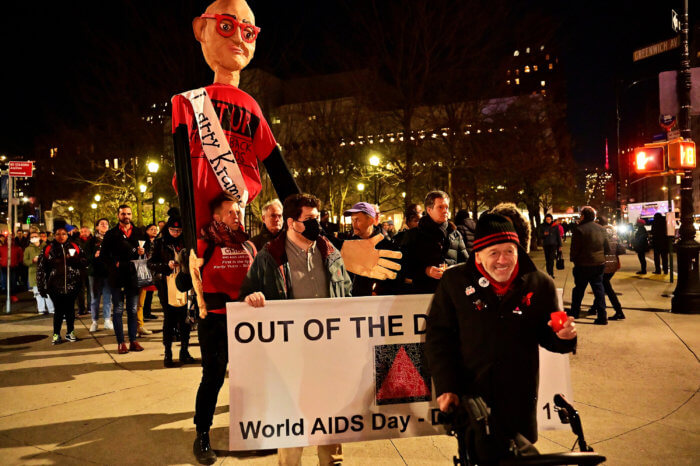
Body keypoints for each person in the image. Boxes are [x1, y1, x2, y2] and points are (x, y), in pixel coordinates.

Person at [425, 213, 577, 448]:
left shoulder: (539, 283)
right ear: (478, 254)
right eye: (493, 252)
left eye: (509, 251)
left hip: (520, 398)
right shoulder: (454, 281)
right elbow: (438, 338)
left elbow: (548, 337)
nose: (503, 260)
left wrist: (564, 337)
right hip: (471, 397)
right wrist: (446, 387)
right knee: (479, 454)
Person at [240, 193, 351, 466]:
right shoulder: (269, 257)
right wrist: (252, 298)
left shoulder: (330, 251)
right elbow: (246, 293)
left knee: (330, 423)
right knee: (291, 425)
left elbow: (346, 291)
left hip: (327, 353)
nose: (317, 224)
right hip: (289, 358)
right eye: (310, 219)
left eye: (318, 218)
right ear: (292, 222)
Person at [191, 193, 257, 464]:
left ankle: (250, 430)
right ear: (216, 217)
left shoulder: (248, 245)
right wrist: (186, 268)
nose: (237, 215)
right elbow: (190, 279)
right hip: (216, 321)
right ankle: (202, 433)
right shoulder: (203, 244)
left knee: (249, 380)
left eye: (239, 210)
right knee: (213, 378)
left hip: (246, 322)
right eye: (230, 212)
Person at [148, 212, 195, 367]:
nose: (176, 233)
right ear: (168, 229)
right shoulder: (160, 243)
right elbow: (151, 264)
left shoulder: (186, 242)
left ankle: (184, 351)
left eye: (179, 231)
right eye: (173, 230)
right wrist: (166, 265)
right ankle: (168, 353)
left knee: (185, 320)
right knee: (169, 320)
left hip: (184, 283)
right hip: (166, 284)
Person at [402, 191, 468, 294]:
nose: (445, 211)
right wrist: (426, 271)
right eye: (440, 207)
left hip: (450, 293)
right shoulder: (413, 235)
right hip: (423, 293)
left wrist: (453, 271)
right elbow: (404, 265)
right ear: (429, 210)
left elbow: (465, 264)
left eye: (446, 207)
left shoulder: (455, 235)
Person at [101, 205, 146, 354]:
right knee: (119, 310)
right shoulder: (111, 234)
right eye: (123, 214)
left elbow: (148, 250)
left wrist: (143, 251)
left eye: (128, 213)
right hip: (117, 277)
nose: (126, 216)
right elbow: (103, 256)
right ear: (118, 215)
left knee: (133, 310)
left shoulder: (139, 232)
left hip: (133, 277)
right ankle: (121, 342)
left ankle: (133, 340)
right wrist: (114, 265)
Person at [37, 220, 87, 345]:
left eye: (64, 234)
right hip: (55, 286)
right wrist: (41, 287)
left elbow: (85, 262)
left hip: (73, 285)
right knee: (58, 311)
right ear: (54, 235)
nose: (61, 236)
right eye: (58, 234)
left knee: (70, 310)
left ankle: (70, 332)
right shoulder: (48, 249)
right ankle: (56, 334)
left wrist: (76, 260)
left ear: (67, 235)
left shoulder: (75, 246)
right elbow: (41, 269)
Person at [342, 202, 400, 296]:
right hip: (352, 302)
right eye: (352, 220)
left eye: (357, 220)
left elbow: (394, 278)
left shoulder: (387, 246)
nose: (354, 224)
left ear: (371, 221)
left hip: (377, 303)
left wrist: (377, 291)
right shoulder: (348, 244)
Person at [568, 206, 610, 324]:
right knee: (598, 289)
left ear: (583, 216)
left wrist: (574, 259)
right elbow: (607, 248)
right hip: (598, 263)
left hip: (583, 264)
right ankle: (602, 316)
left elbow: (575, 249)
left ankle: (575, 311)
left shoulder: (579, 229)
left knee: (579, 289)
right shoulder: (602, 229)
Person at [590, 217, 625, 321]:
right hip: (613, 263)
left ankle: (619, 311)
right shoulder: (613, 231)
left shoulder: (601, 232)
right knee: (602, 286)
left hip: (604, 263)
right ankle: (594, 308)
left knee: (606, 288)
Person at [87, 218, 113, 332]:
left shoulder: (111, 239)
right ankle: (95, 321)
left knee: (108, 297)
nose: (104, 225)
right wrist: (94, 255)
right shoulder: (92, 241)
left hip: (108, 272)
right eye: (101, 224)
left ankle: (107, 320)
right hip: (95, 273)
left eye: (106, 224)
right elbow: (86, 257)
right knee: (95, 298)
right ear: (97, 227)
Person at [24, 231, 55, 315]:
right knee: (37, 293)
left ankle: (51, 309)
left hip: (45, 272)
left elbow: (52, 258)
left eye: (35, 236)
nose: (34, 238)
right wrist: (32, 261)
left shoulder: (46, 247)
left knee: (47, 292)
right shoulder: (28, 249)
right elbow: (25, 262)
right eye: (32, 237)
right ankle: (41, 309)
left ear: (39, 237)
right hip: (34, 273)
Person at [137, 223, 159, 337]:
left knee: (144, 299)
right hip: (141, 272)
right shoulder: (142, 243)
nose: (154, 231)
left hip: (150, 272)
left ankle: (140, 324)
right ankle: (138, 325)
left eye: (156, 229)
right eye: (152, 229)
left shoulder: (157, 242)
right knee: (139, 301)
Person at [75, 226, 93, 315]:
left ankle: (90, 307)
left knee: (91, 289)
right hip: (80, 268)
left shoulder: (93, 241)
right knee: (80, 289)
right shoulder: (76, 242)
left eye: (85, 231)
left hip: (90, 267)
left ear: (89, 232)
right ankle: (81, 308)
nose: (83, 233)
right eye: (81, 231)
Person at [539, 213, 563, 278]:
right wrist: (544, 234)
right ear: (545, 219)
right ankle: (548, 272)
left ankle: (551, 273)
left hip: (553, 245)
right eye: (547, 219)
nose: (548, 220)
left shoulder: (555, 226)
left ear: (551, 219)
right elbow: (539, 235)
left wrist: (560, 245)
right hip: (546, 245)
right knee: (547, 260)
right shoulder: (542, 226)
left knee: (551, 259)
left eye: (549, 219)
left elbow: (558, 236)